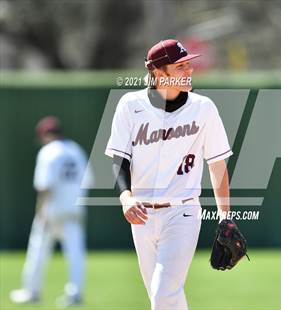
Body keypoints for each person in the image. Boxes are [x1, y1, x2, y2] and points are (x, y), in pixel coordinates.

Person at [105, 39, 236, 310]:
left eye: (189, 65)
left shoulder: (204, 108)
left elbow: (217, 166)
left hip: (183, 212)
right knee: (165, 297)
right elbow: (120, 158)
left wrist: (226, 217)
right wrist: (125, 197)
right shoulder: (130, 105)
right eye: (180, 66)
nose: (189, 71)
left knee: (163, 293)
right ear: (158, 73)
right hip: (141, 216)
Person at [10, 116, 93, 308]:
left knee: (37, 252)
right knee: (75, 254)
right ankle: (75, 294)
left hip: (52, 210)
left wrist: (41, 213)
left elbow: (44, 186)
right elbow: (88, 181)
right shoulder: (76, 150)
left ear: (45, 134)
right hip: (74, 209)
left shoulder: (48, 152)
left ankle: (31, 291)